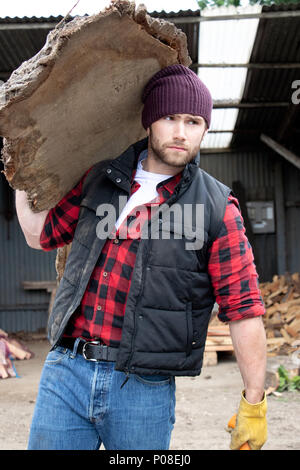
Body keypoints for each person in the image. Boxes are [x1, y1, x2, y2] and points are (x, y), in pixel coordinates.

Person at [16, 64, 267, 451]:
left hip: (142, 389)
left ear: (205, 128)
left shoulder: (217, 209)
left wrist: (254, 402)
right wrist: (19, 169)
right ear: (149, 120)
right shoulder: (100, 180)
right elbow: (40, 234)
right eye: (169, 117)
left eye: (194, 121)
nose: (181, 132)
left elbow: (244, 308)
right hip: (67, 372)